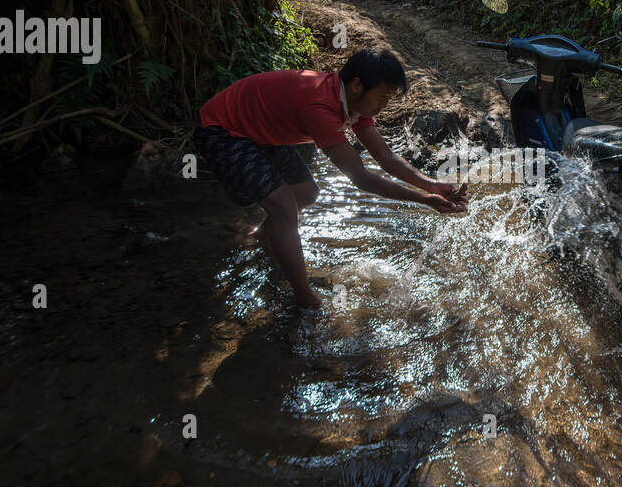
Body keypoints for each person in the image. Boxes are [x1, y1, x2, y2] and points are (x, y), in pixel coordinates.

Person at [193, 48, 467, 309]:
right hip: (222, 131)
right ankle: (303, 295)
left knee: (306, 194)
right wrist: (423, 199)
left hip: (261, 132)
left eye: (389, 98)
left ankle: (265, 236)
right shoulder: (321, 107)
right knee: (285, 207)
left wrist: (432, 185)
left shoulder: (352, 103)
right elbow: (360, 178)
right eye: (382, 96)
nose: (384, 105)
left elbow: (386, 158)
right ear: (357, 85)